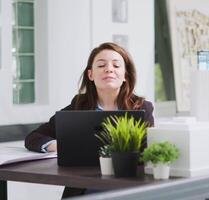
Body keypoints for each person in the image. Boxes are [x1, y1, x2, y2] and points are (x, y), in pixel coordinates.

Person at [24, 42, 154, 198]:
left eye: (116, 65)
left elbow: (148, 152)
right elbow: (34, 137)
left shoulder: (142, 108)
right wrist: (57, 146)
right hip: (85, 187)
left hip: (128, 187)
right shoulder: (79, 105)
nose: (109, 69)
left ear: (125, 75)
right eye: (101, 65)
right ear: (90, 75)